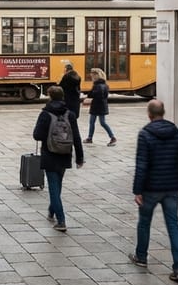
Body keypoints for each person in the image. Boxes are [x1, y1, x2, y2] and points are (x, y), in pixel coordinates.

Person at [131, 99, 178, 283]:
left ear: (149, 114)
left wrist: (137, 190)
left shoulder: (145, 134)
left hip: (151, 187)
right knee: (173, 225)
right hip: (171, 187)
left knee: (144, 222)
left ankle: (141, 256)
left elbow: (141, 164)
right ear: (163, 112)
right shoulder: (177, 133)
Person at [33, 86, 84, 232]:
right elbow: (77, 137)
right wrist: (79, 157)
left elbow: (37, 135)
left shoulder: (45, 114)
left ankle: (61, 221)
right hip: (65, 154)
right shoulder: (70, 114)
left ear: (50, 96)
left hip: (49, 154)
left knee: (54, 189)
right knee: (57, 186)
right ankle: (51, 211)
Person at [83, 68, 117, 146]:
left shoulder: (98, 86)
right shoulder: (104, 84)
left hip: (97, 106)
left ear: (96, 76)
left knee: (99, 122)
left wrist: (90, 98)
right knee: (97, 122)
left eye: (92, 75)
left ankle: (112, 137)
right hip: (101, 106)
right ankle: (90, 138)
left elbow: (96, 95)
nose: (91, 76)